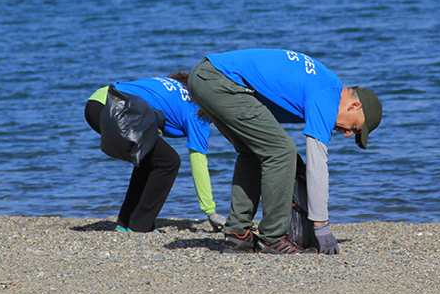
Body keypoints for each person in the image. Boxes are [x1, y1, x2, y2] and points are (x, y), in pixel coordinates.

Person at [188, 49, 382, 256]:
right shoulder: (326, 97)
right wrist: (321, 227)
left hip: (206, 76)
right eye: (355, 128)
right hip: (221, 80)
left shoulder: (325, 84)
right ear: (354, 106)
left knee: (253, 151)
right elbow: (317, 165)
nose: (347, 134)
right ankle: (272, 239)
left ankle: (238, 235)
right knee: (282, 152)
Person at [85, 73, 226, 233]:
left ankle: (126, 222)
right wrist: (211, 212)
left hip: (98, 102)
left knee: (150, 159)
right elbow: (199, 164)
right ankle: (140, 226)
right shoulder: (196, 115)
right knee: (169, 162)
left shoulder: (180, 87)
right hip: (115, 107)